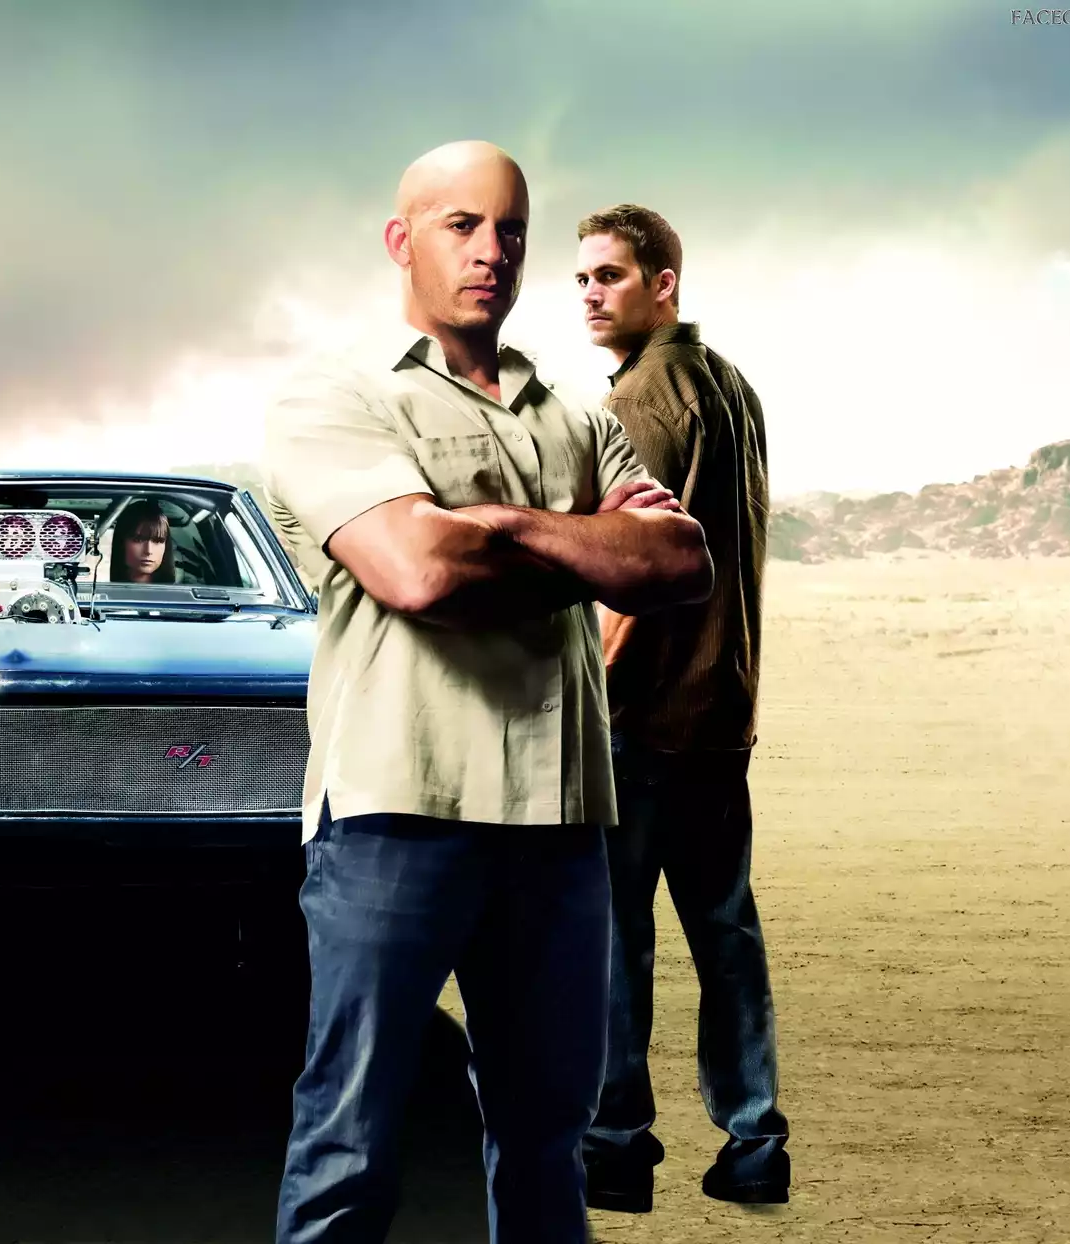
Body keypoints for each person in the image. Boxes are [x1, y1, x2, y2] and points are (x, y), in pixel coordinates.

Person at [262, 141, 715, 1244]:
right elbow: (418, 572)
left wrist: (495, 524)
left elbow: (678, 562)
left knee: (549, 1139)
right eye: (462, 224)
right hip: (398, 809)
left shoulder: (575, 412)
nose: (492, 251)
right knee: (349, 1145)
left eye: (511, 229)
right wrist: (587, 541)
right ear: (400, 239)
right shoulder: (336, 395)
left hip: (560, 820)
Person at [574, 205, 789, 1208]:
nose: (589, 294)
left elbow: (631, 576)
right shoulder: (731, 386)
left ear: (664, 284)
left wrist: (588, 694)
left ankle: (616, 1144)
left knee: (616, 936)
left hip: (643, 716)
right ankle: (755, 1141)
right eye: (582, 278)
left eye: (610, 275)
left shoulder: (641, 399)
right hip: (720, 710)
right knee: (726, 930)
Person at [108, 497, 176, 583]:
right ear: (121, 543)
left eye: (158, 541)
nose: (148, 551)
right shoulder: (103, 589)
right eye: (138, 540)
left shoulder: (183, 590)